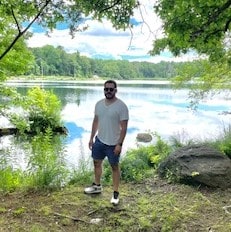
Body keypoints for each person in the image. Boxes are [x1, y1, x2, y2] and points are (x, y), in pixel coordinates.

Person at [84, 80, 129, 205]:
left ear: (115, 90)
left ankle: (115, 194)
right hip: (99, 141)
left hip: (113, 144)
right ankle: (97, 186)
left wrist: (119, 144)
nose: (108, 91)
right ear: (104, 90)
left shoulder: (121, 106)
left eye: (111, 89)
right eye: (106, 89)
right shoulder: (98, 104)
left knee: (114, 167)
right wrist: (91, 138)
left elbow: (124, 128)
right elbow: (96, 121)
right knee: (96, 163)